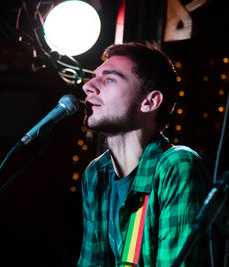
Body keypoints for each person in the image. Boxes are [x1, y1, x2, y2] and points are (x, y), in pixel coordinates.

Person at [78, 42, 212, 266]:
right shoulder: (96, 173)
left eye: (110, 79)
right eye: (94, 77)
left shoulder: (176, 165)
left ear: (149, 102)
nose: (88, 87)